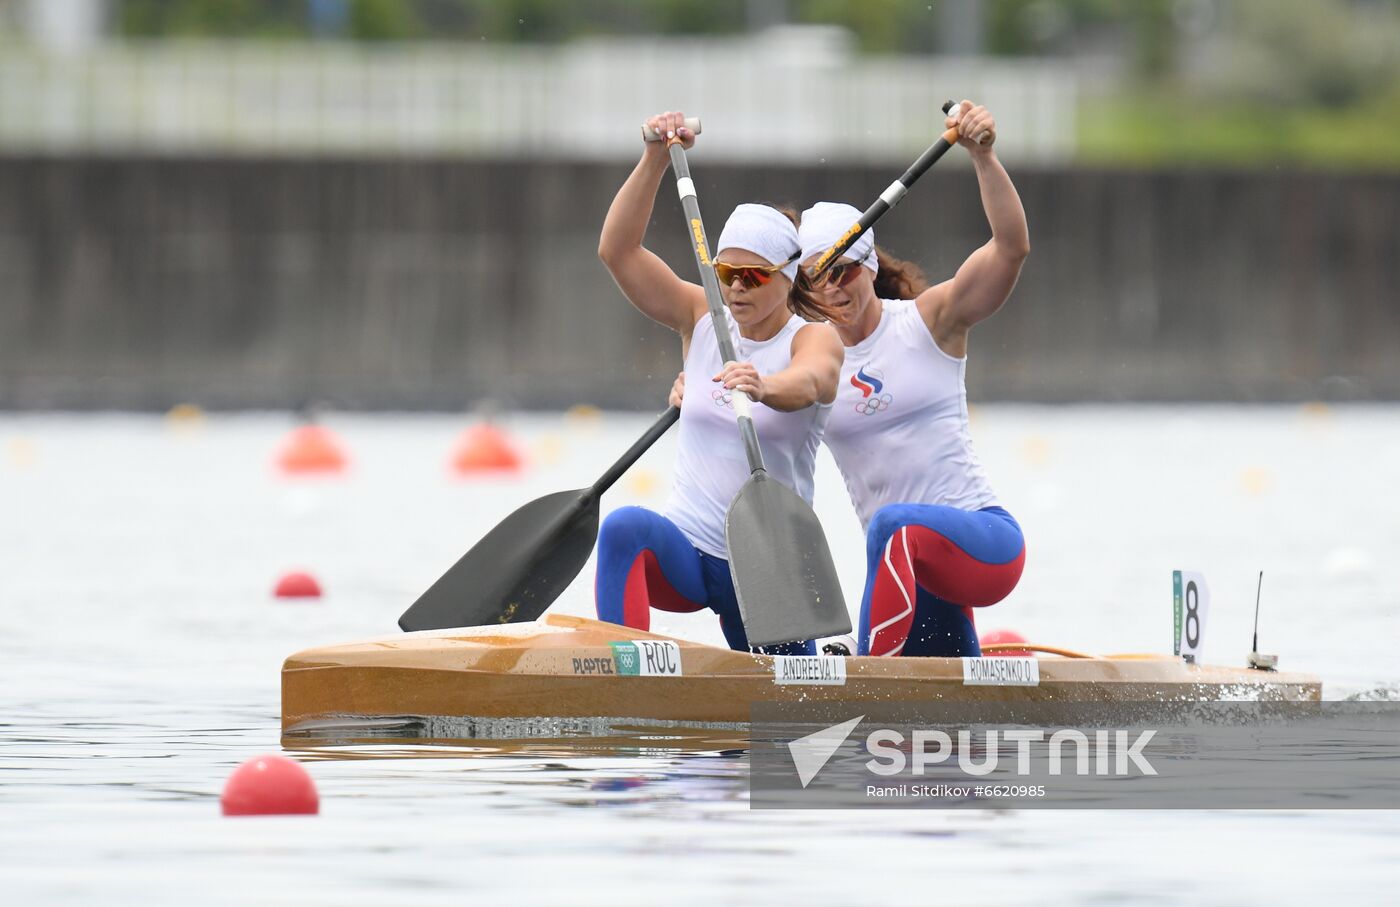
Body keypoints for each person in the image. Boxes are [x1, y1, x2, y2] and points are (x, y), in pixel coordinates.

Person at [670, 101, 1029, 657]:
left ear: (870, 268)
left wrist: (983, 158)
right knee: (941, 733)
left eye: (845, 270)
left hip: (982, 544)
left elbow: (1010, 249)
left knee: (893, 525)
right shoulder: (806, 362)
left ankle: (863, 671)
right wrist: (692, 386)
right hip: (912, 578)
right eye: (817, 277)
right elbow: (735, 398)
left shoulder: (930, 321)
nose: (833, 287)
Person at [595, 111, 844, 656]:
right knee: (623, 527)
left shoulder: (814, 338)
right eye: (725, 274)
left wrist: (762, 387)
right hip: (688, 550)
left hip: (765, 567)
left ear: (786, 275)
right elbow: (618, 252)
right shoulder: (701, 315)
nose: (734, 289)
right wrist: (655, 157)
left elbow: (812, 382)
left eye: (752, 277)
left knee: (786, 736)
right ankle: (625, 671)